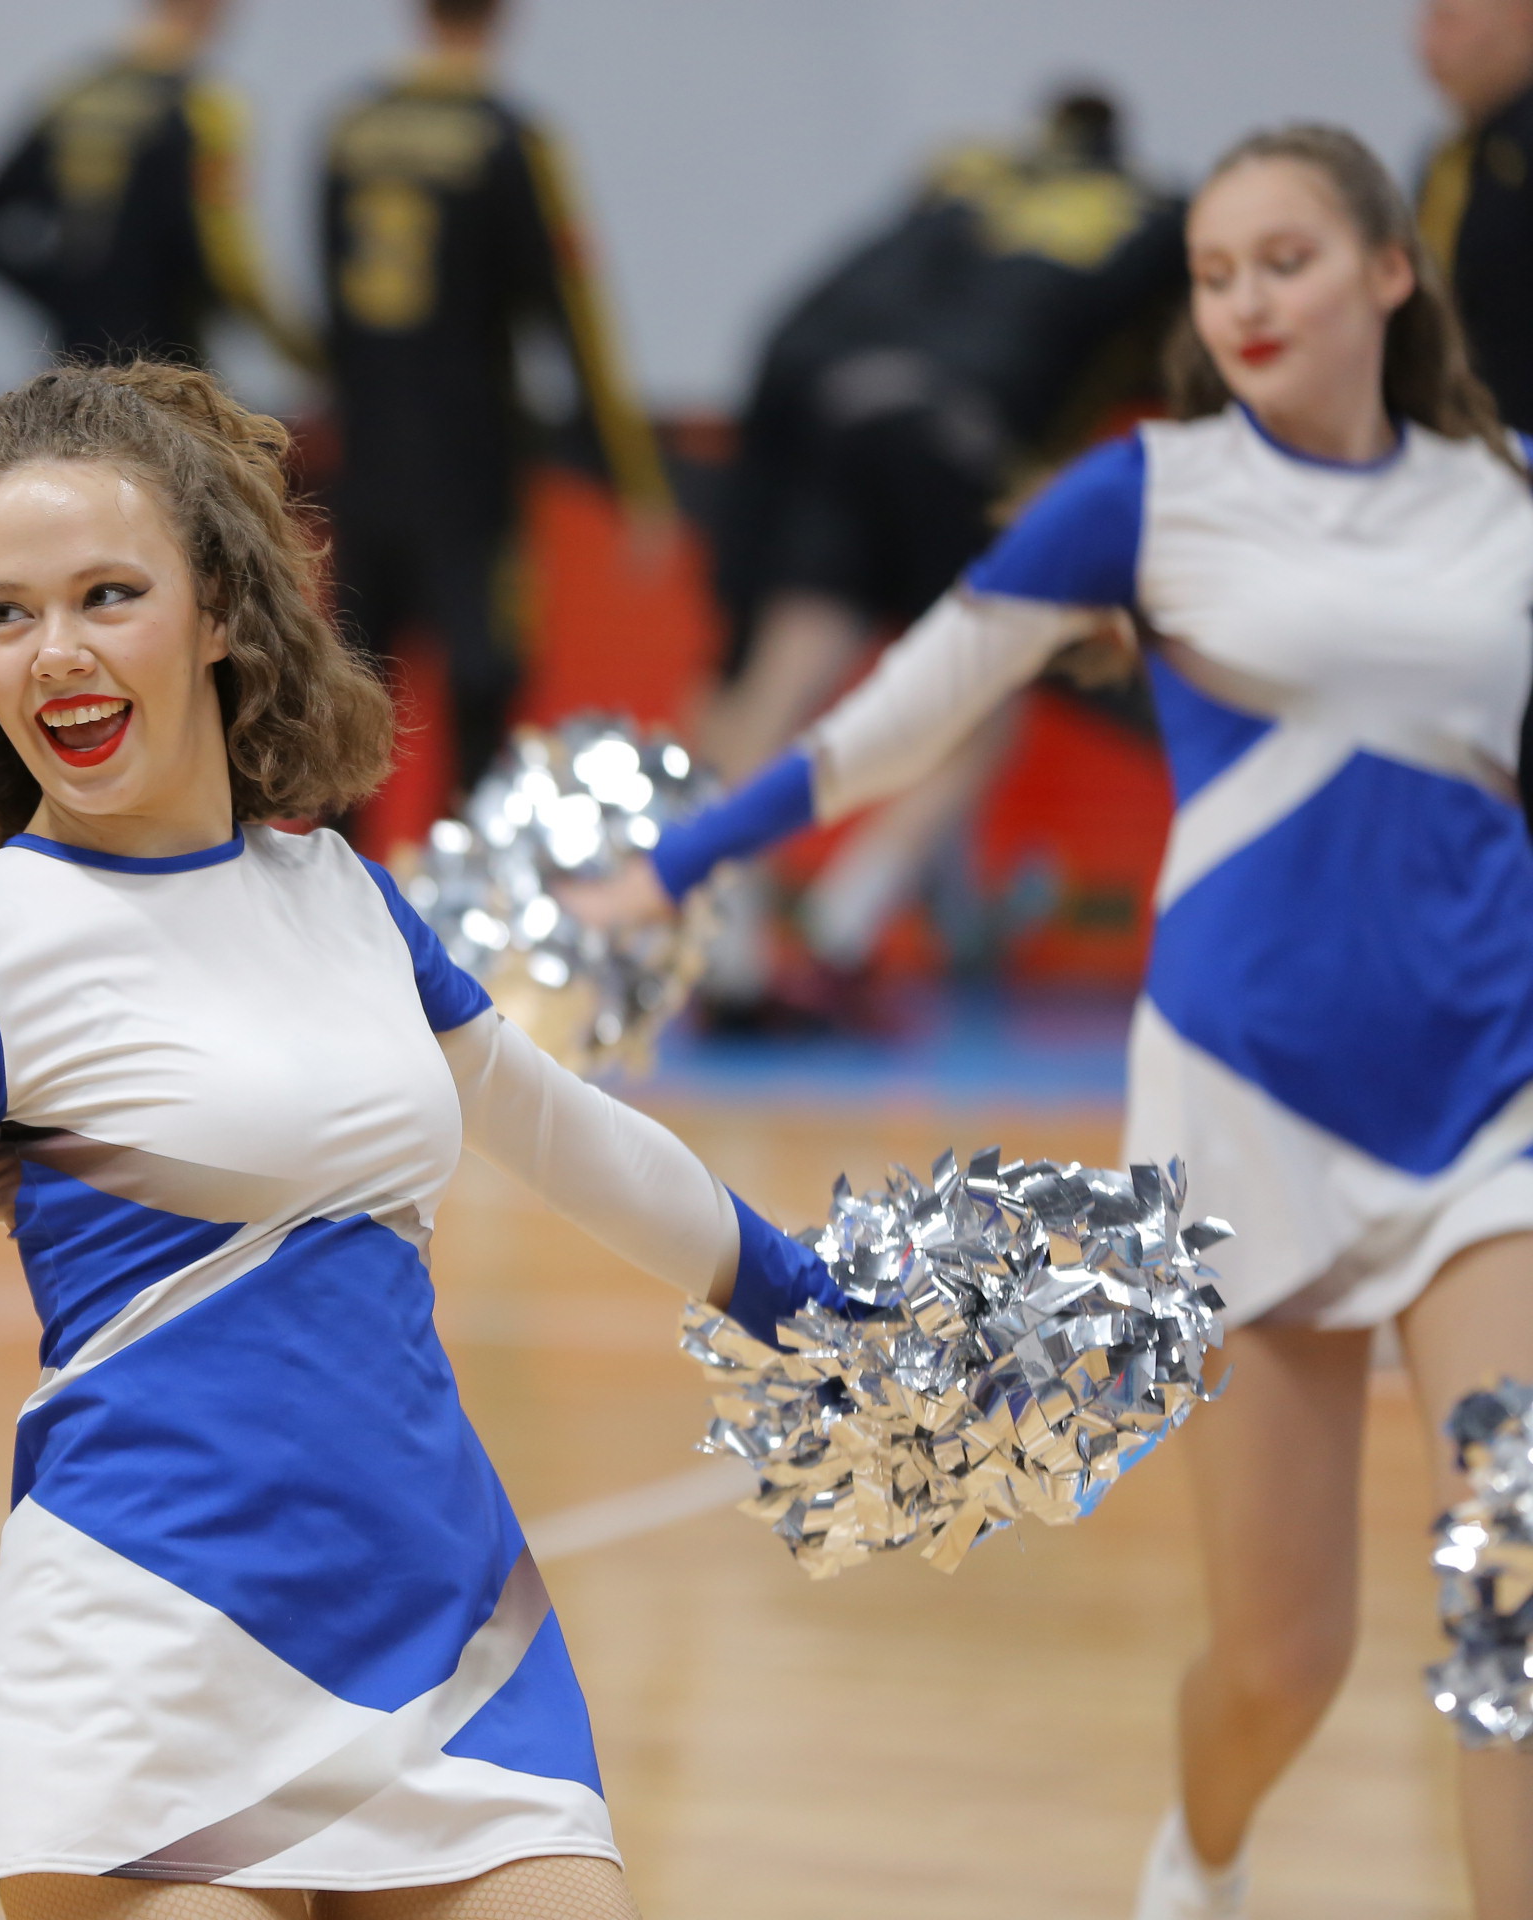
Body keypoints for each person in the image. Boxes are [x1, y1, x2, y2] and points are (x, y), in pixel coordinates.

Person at [0, 361, 848, 1919]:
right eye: (6, 615)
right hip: (150, 1656)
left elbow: (572, 1138)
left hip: (451, 1631)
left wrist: (843, 1319)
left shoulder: (343, 895)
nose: (56, 653)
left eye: (107, 595)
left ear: (217, 609)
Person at [580, 127, 1533, 1920]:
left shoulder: (1509, 501)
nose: (1244, 301)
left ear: (1392, 273)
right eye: (1216, 273)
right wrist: (685, 859)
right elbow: (902, 716)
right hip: (1251, 1101)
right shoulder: (1144, 495)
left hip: (1495, 1100)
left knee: (1518, 1594)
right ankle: (1203, 1858)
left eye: (1287, 261)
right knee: (1284, 1662)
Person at [694, 89, 1185, 1020]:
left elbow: (808, 315)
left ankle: (727, 949)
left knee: (782, 687)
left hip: (834, 410)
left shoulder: (963, 175)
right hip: (957, 439)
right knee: (980, 714)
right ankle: (841, 936)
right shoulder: (1158, 213)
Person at [319, 0, 673, 809]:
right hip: (470, 462)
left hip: (367, 457)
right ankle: (459, 872)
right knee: (482, 681)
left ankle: (332, 880)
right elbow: (572, 312)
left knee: (352, 691)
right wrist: (634, 475)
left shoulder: (348, 130)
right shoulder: (509, 139)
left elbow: (331, 315)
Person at [0, 0, 312, 373]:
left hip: (76, 359)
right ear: (212, 13)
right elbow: (230, 259)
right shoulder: (207, 105)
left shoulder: (71, 96)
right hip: (166, 359)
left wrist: (63, 300)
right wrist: (301, 350)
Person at [1420, 0, 1533, 431]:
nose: (1426, 42)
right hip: (1471, 430)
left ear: (1522, 15)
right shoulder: (1447, 158)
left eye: (1447, 17)